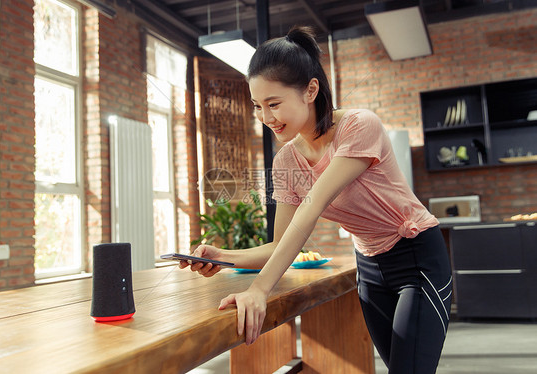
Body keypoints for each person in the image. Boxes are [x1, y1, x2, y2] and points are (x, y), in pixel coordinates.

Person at [180, 26, 452, 373]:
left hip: (416, 258)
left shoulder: (359, 126)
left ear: (311, 90)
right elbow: (279, 244)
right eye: (258, 106)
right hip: (369, 268)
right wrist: (224, 257)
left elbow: (312, 208)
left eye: (274, 104)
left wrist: (260, 290)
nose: (266, 118)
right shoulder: (286, 160)